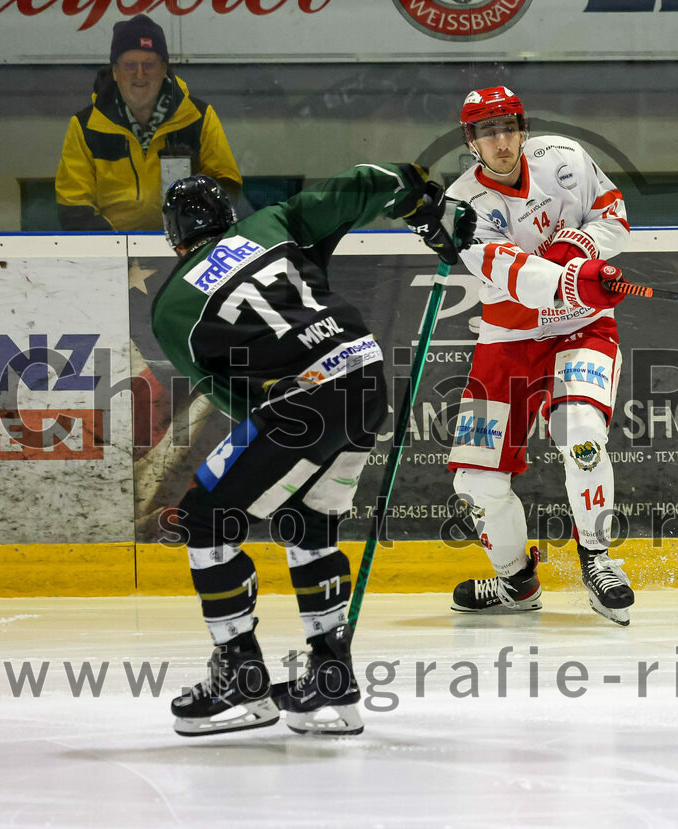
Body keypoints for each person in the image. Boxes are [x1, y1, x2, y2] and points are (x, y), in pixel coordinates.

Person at [154, 165, 475, 736]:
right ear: (229, 217)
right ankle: (332, 680)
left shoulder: (172, 307)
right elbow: (367, 178)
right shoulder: (269, 223)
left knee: (206, 522)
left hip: (303, 401)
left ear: (176, 239)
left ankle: (240, 679)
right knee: (308, 518)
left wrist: (283, 425)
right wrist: (422, 205)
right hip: (368, 376)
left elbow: (232, 396)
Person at [445, 86, 636, 626]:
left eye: (508, 127)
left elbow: (614, 219)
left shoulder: (567, 158)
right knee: (477, 481)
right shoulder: (462, 208)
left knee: (580, 431)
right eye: (487, 132)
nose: (501, 141)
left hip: (582, 327)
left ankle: (597, 557)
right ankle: (515, 583)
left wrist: (583, 251)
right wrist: (576, 274)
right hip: (506, 341)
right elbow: (518, 279)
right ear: (471, 141)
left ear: (523, 129)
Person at [55, 14, 242, 231]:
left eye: (149, 65)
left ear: (164, 70)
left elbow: (228, 186)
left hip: (189, 247)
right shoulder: (85, 126)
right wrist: (120, 251)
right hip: (112, 255)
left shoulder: (199, 117)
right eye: (130, 65)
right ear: (115, 72)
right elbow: (73, 206)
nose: (140, 74)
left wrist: (191, 225)